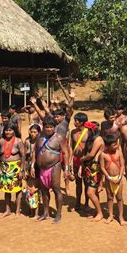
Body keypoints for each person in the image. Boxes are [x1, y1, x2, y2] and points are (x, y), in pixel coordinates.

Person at [31, 91, 74, 224]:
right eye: (47, 127)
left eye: (50, 127)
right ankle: (45, 213)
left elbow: (66, 153)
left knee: (56, 189)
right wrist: (32, 165)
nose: (48, 129)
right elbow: (35, 151)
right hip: (42, 168)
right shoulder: (40, 137)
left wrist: (66, 168)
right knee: (43, 190)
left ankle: (59, 214)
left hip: (54, 166)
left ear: (54, 128)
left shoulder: (60, 136)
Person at [0, 123, 25, 216]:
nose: (8, 132)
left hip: (15, 167)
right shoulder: (1, 141)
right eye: (6, 130)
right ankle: (8, 209)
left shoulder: (18, 141)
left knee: (17, 190)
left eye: (10, 130)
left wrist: (21, 170)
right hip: (4, 168)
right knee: (6, 190)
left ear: (14, 131)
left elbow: (23, 156)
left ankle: (17, 210)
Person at [80, 121, 104, 221]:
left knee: (90, 192)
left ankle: (100, 213)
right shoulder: (92, 138)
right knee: (93, 191)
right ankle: (97, 211)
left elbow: (91, 154)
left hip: (95, 168)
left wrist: (82, 159)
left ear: (90, 130)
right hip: (90, 168)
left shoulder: (98, 139)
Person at [99, 134, 126, 226]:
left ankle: (120, 217)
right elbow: (102, 167)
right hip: (109, 179)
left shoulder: (119, 152)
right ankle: (110, 215)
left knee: (119, 198)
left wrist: (120, 176)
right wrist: (108, 177)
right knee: (110, 197)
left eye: (116, 144)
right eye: (114, 144)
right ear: (108, 145)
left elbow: (122, 165)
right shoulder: (103, 154)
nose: (116, 146)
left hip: (118, 178)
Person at [70, 112, 89, 211]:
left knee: (86, 182)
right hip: (76, 159)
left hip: (86, 161)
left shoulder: (88, 132)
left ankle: (86, 203)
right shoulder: (73, 132)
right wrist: (70, 160)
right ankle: (77, 203)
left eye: (76, 121)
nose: (74, 122)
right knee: (78, 182)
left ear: (81, 122)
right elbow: (71, 147)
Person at [23, 124, 41, 218]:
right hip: (29, 166)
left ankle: (36, 213)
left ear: (38, 133)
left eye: (35, 132)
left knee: (35, 189)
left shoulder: (40, 142)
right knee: (28, 189)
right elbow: (25, 156)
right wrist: (24, 169)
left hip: (38, 166)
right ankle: (31, 210)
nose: (33, 134)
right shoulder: (27, 141)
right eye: (31, 131)